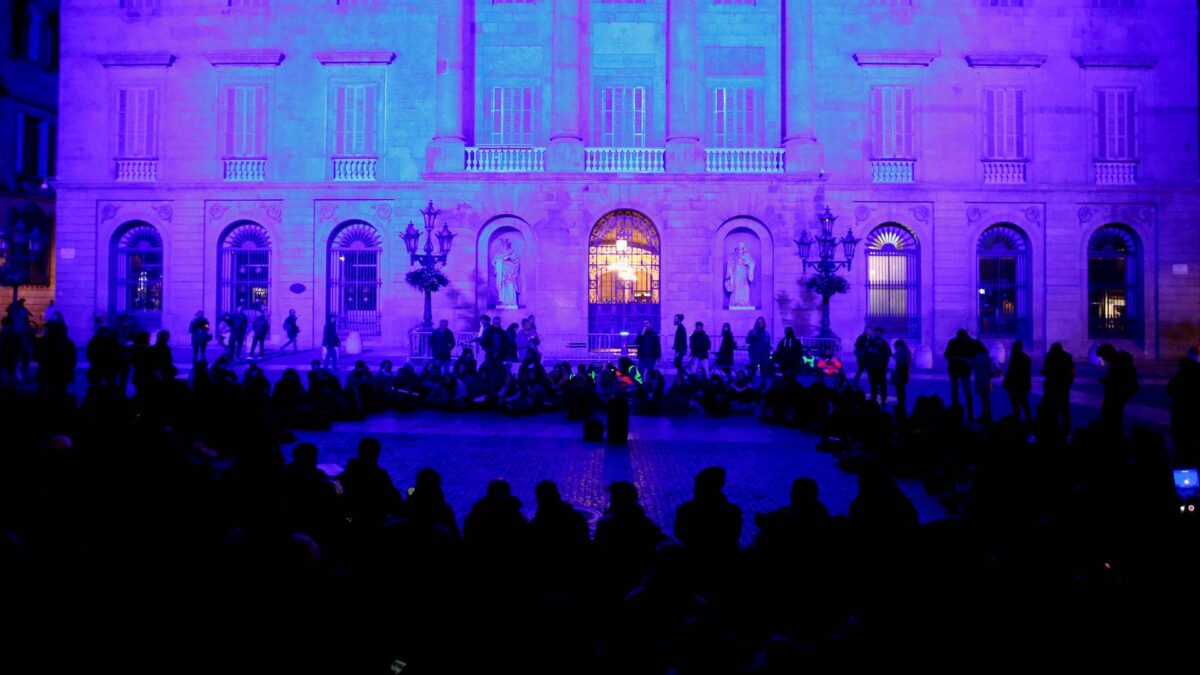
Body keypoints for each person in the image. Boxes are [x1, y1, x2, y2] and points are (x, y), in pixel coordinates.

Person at [1167, 347, 1200, 467]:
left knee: (1182, 446)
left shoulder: (1182, 372)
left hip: (1181, 412)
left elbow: (1171, 389)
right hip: (1192, 414)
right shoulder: (1193, 372)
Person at [1096, 343, 1139, 432]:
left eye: (1103, 356)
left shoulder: (1119, 365)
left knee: (1111, 421)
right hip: (1118, 397)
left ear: (1107, 354)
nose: (1103, 359)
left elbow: (1118, 382)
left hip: (1115, 397)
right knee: (1115, 420)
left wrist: (1108, 382)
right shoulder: (1120, 363)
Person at [1040, 343, 1075, 435]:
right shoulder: (1067, 357)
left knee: (1052, 408)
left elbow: (1045, 370)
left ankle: (1053, 428)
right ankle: (1066, 429)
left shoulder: (1050, 357)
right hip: (1063, 386)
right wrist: (1070, 379)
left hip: (1052, 386)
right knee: (1064, 409)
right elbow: (1071, 370)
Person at [944, 328, 976, 419]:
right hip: (962, 370)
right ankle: (969, 413)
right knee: (964, 392)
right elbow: (947, 355)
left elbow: (946, 355)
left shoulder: (953, 342)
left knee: (956, 392)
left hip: (956, 370)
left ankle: (958, 412)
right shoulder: (968, 343)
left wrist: (954, 358)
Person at [1003, 340, 1033, 425]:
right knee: (1023, 402)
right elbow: (1027, 374)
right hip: (1021, 384)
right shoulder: (1026, 358)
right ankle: (1027, 419)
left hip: (1014, 384)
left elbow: (1011, 371)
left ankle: (1018, 417)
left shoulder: (1015, 357)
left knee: (1016, 402)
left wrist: (1006, 382)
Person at [972, 343, 999, 423]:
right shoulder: (988, 358)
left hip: (982, 380)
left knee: (984, 398)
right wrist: (990, 374)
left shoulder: (979, 356)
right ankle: (986, 415)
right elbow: (995, 370)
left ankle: (986, 415)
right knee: (986, 398)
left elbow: (974, 364)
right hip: (986, 380)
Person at [865, 327, 892, 408]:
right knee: (873, 383)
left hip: (881, 368)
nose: (876, 334)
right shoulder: (872, 342)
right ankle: (874, 399)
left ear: (881, 333)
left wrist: (882, 363)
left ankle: (883, 399)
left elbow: (886, 355)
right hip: (872, 367)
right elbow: (867, 353)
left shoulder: (883, 343)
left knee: (882, 383)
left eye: (878, 332)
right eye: (875, 332)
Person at [746, 316, 772, 388]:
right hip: (754, 355)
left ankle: (763, 386)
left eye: (762, 322)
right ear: (757, 323)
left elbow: (768, 344)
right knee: (753, 371)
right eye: (759, 322)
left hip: (764, 356)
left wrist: (768, 354)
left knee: (763, 372)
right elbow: (747, 340)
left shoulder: (766, 333)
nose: (760, 323)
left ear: (764, 323)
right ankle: (749, 384)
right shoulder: (752, 332)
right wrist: (753, 336)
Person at [892, 339, 911, 417]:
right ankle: (901, 402)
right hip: (904, 371)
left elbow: (897, 358)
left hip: (900, 371)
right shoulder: (907, 351)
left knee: (900, 388)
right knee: (901, 388)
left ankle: (901, 403)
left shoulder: (901, 351)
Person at [852, 325, 871, 389]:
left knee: (864, 369)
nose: (868, 331)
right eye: (867, 330)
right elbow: (856, 345)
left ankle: (856, 381)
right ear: (865, 330)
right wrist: (863, 348)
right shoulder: (861, 337)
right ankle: (856, 382)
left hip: (867, 357)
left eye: (869, 330)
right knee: (862, 369)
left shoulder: (869, 337)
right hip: (862, 357)